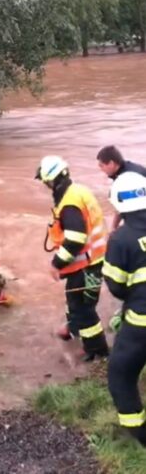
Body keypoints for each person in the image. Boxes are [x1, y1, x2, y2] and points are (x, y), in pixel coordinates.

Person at [37, 155, 109, 362]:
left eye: (46, 182)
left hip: (87, 264)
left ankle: (97, 350)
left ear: (54, 180)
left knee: (83, 307)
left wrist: (56, 263)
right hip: (93, 260)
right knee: (75, 299)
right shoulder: (79, 190)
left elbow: (75, 239)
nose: (46, 186)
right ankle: (72, 329)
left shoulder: (69, 203)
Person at [102, 171, 146, 447]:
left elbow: (116, 285)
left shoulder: (120, 239)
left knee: (121, 374)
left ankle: (139, 438)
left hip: (141, 321)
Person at [96, 145, 146, 229]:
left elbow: (124, 206)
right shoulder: (126, 169)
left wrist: (114, 229)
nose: (101, 169)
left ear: (111, 164)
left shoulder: (128, 178)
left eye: (101, 165)